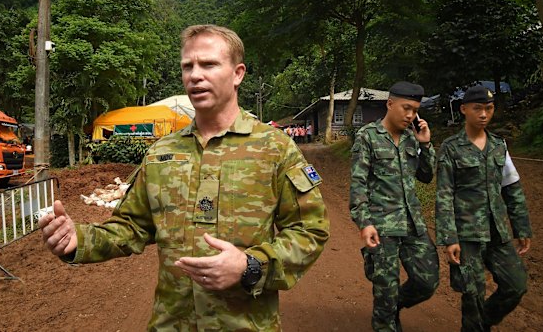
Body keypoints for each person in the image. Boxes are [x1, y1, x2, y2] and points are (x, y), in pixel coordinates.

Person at [39, 24, 330, 331]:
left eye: (209, 64)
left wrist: (251, 265)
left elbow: (310, 230)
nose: (195, 75)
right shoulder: (160, 153)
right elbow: (131, 226)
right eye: (187, 66)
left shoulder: (274, 148)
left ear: (237, 74)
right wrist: (78, 241)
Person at [435, 85, 532, 332]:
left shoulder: (499, 145)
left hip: (497, 231)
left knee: (516, 284)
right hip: (467, 234)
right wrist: (449, 238)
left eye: (489, 109)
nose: (483, 114)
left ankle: (482, 322)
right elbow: (444, 194)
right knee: (472, 293)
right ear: (464, 109)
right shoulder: (451, 148)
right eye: (477, 109)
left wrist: (521, 227)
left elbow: (512, 188)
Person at [350, 81, 439, 332]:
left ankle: (390, 306)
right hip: (382, 226)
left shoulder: (412, 138)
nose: (410, 115)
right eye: (406, 108)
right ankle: (386, 314)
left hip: (412, 224)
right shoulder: (368, 136)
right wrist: (365, 222)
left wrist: (425, 144)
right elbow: (358, 183)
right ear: (390, 104)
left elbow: (426, 176)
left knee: (427, 281)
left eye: (415, 110)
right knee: (385, 290)